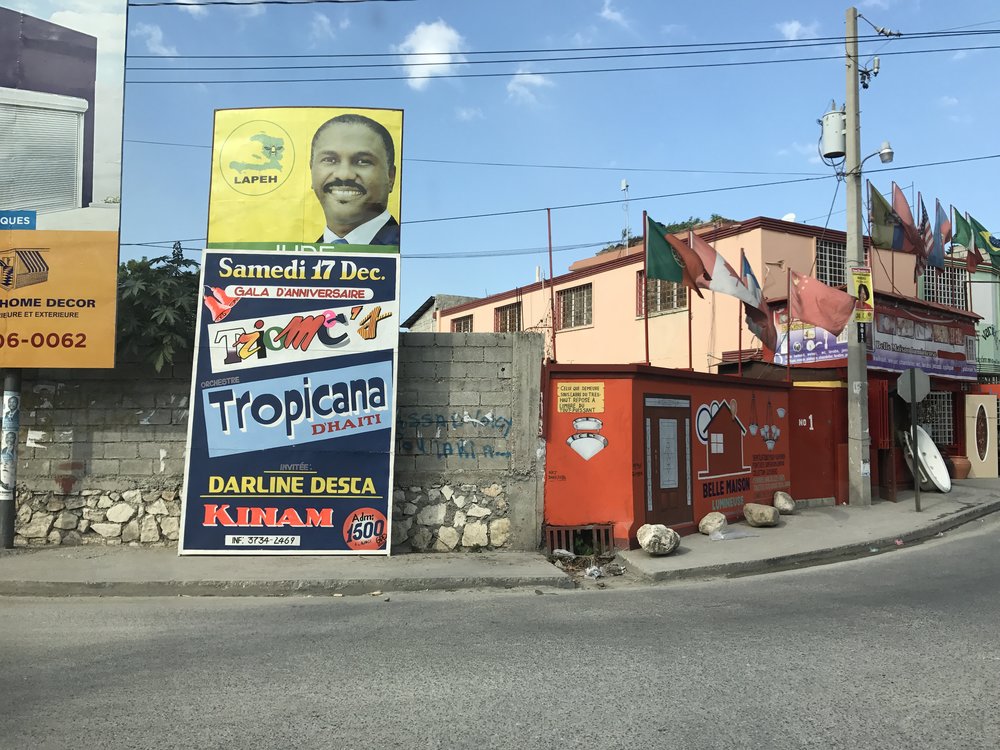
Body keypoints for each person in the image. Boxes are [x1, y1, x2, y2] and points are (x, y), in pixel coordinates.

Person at [310, 113, 400, 245]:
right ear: (311, 170)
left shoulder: (409, 247)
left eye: (362, 161)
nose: (344, 175)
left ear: (390, 176)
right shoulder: (298, 262)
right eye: (330, 160)